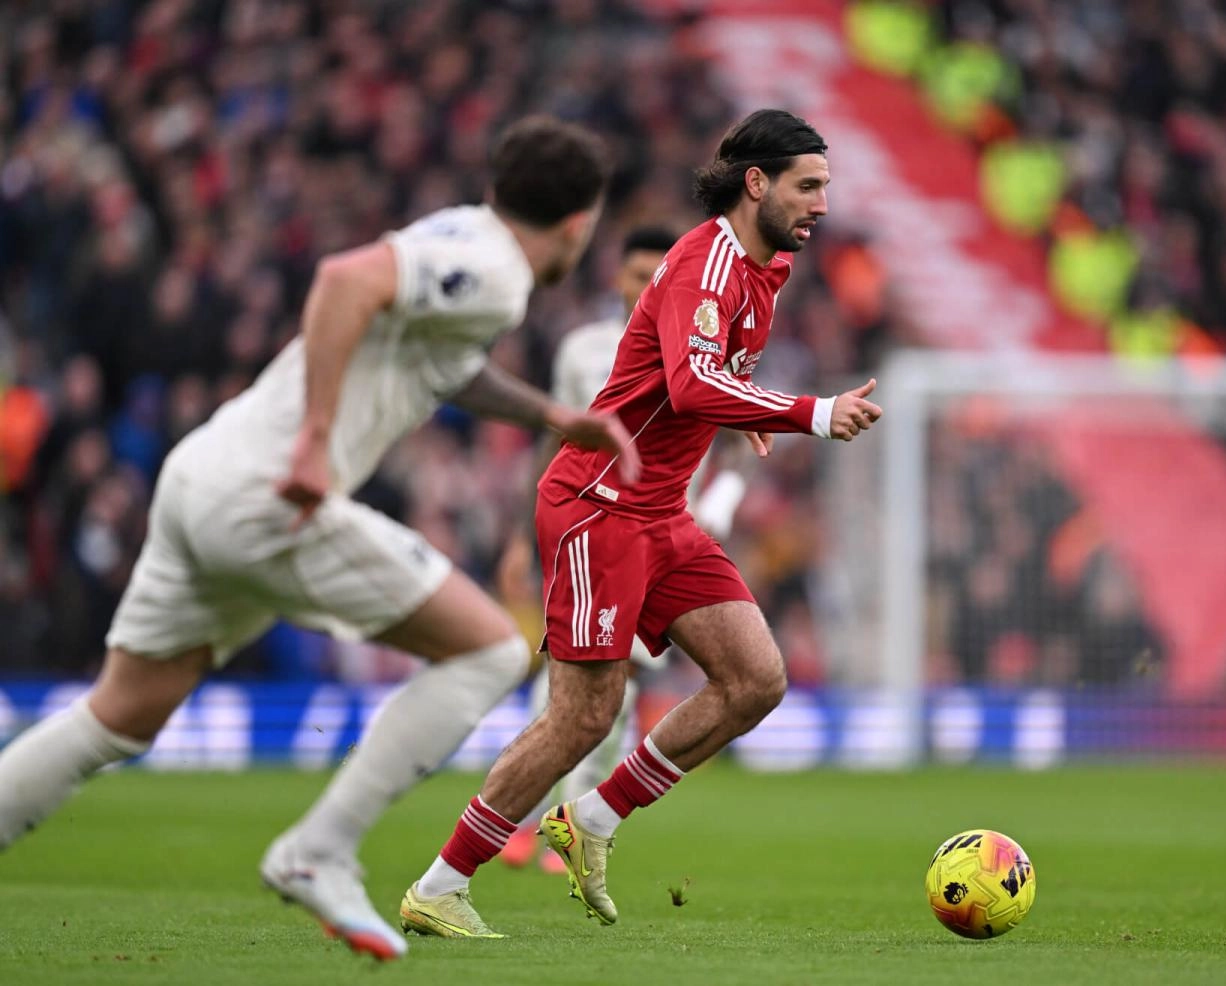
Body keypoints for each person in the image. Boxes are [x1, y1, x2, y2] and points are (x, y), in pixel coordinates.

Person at [0, 116, 636, 962]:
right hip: (268, 496)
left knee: (119, 714)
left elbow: (440, 362)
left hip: (202, 476)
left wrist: (552, 415)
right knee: (488, 649)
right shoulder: (497, 273)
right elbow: (344, 279)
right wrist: (315, 439)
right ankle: (319, 850)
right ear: (579, 224)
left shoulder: (462, 235)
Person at [399, 108, 882, 937]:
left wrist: (745, 409)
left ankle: (592, 817)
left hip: (660, 510)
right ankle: (440, 884)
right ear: (756, 183)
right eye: (808, 186)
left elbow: (702, 381)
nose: (822, 205)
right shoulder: (704, 261)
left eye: (825, 187)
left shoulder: (766, 268)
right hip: (599, 506)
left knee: (755, 679)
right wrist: (809, 410)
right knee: (583, 716)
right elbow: (691, 386)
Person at [494, 226, 754, 873]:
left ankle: (561, 818)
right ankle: (536, 820)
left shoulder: (705, 342)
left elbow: (734, 443)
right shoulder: (583, 349)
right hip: (588, 527)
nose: (649, 287)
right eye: (639, 276)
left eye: (659, 276)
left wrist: (719, 506)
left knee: (614, 682)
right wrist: (521, 538)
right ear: (619, 279)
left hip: (662, 532)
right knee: (575, 678)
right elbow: (554, 440)